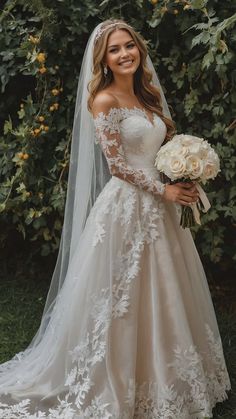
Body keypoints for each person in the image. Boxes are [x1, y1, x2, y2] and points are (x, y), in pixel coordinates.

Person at [0, 19, 231, 419]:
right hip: (128, 206)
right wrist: (166, 190)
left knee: (169, 288)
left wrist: (183, 173)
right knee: (122, 298)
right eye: (114, 49)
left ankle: (172, 375)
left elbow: (160, 149)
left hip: (162, 205)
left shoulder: (148, 95)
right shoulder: (104, 100)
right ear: (103, 59)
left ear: (139, 49)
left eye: (129, 46)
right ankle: (117, 377)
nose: (124, 54)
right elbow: (118, 166)